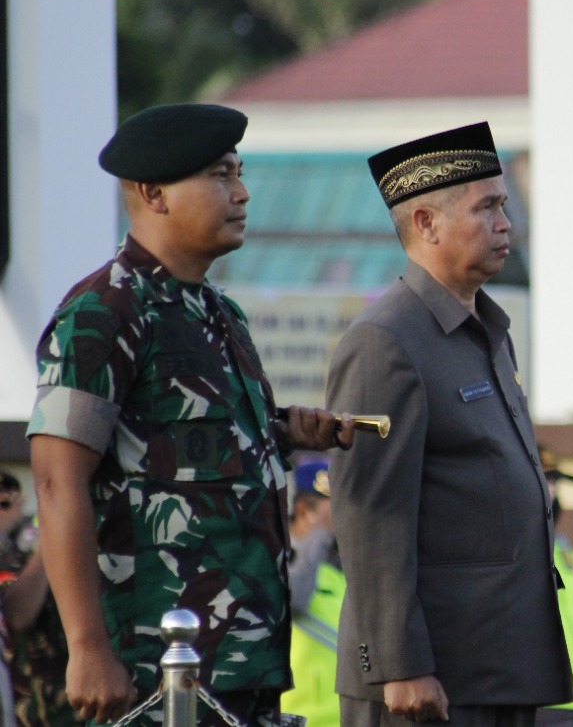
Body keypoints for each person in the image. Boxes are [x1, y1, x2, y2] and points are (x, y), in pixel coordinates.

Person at [25, 103, 355, 727]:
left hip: (243, 663)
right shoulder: (103, 314)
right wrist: (89, 649)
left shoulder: (220, 314)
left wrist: (281, 432)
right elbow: (55, 480)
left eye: (239, 172)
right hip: (154, 670)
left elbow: (188, 449)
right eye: (220, 175)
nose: (242, 192)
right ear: (154, 193)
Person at [327, 121, 573, 727]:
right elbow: (369, 515)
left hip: (496, 669)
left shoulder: (486, 332)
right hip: (425, 681)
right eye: (485, 207)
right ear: (426, 224)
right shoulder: (386, 341)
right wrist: (397, 663)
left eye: (504, 206)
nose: (505, 223)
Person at [0, 472, 79, 726]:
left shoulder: (29, 536)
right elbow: (17, 616)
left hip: (70, 704)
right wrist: (51, 541)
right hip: (30, 709)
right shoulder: (15, 552)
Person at [281, 459, 343, 727]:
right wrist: (319, 535)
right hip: (297, 717)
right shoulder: (280, 561)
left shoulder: (335, 572)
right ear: (304, 511)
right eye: (336, 509)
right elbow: (296, 598)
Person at [536, 447, 573, 727]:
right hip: (544, 702)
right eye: (547, 481)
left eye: (556, 483)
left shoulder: (562, 547)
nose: (554, 492)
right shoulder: (526, 549)